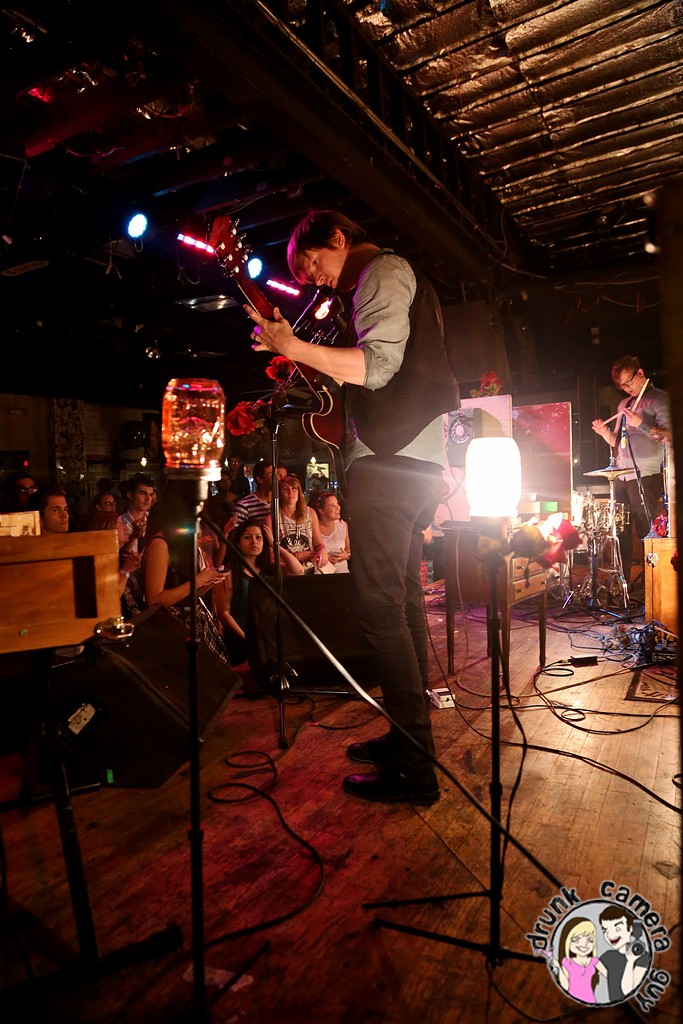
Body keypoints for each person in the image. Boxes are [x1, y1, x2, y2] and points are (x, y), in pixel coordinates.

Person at [244, 209, 459, 805]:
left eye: (312, 262)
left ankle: (415, 771)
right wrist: (296, 356)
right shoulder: (371, 288)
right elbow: (358, 379)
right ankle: (409, 743)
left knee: (380, 611)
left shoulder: (381, 273)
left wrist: (293, 344)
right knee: (404, 606)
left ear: (337, 238)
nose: (313, 278)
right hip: (413, 464)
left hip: (391, 466)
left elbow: (378, 368)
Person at [591, 356, 671, 571]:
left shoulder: (659, 398)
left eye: (629, 382)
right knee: (620, 531)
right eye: (622, 386)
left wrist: (641, 424)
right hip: (621, 474)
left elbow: (669, 436)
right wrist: (604, 433)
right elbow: (618, 442)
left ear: (640, 373)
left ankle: (653, 579)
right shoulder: (624, 404)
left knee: (647, 529)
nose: (627, 389)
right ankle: (622, 580)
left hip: (645, 474)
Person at [143, 482, 228, 663]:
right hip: (174, 630)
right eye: (197, 504)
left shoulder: (188, 539)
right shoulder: (160, 544)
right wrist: (198, 581)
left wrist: (209, 580)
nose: (201, 510)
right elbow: (154, 600)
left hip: (195, 621)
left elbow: (191, 593)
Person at [218, 520, 303, 665]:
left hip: (269, 639)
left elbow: (298, 570)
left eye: (259, 537)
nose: (254, 542)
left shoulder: (270, 569)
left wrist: (275, 545)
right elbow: (224, 613)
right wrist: (247, 638)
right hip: (240, 640)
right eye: (247, 537)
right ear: (238, 543)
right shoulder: (230, 573)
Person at [267, 474, 328, 574]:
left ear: (299, 492)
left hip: (310, 570)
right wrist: (297, 556)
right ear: (279, 494)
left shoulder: (310, 513)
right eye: (285, 489)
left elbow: (318, 543)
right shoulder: (272, 518)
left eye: (294, 488)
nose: (290, 492)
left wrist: (322, 550)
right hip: (287, 573)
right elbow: (271, 558)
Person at [549, 917, 607, 1004]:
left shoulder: (594, 961)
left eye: (590, 940)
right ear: (567, 941)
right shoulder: (567, 962)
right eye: (576, 940)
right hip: (571, 1000)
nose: (584, 944)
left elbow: (610, 976)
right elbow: (565, 986)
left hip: (590, 1000)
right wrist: (558, 967)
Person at [598, 905, 650, 1003]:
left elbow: (628, 992)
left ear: (630, 929)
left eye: (617, 929)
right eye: (605, 930)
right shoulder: (608, 956)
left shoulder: (643, 957)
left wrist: (630, 961)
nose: (610, 935)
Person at [310, 490, 350, 572]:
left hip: (342, 574)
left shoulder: (343, 526)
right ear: (321, 510)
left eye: (337, 504)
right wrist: (325, 559)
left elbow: (348, 549)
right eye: (332, 505)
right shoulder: (311, 528)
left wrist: (345, 555)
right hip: (320, 575)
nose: (338, 507)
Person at [117, 473, 156, 557]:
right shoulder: (119, 523)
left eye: (151, 495)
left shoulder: (155, 519)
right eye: (143, 493)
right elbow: (117, 557)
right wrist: (133, 537)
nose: (148, 499)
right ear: (130, 495)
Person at [232, 458, 277, 527]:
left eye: (277, 473)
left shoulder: (281, 502)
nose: (277, 477)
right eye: (272, 474)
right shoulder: (244, 506)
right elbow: (236, 532)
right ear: (260, 479)